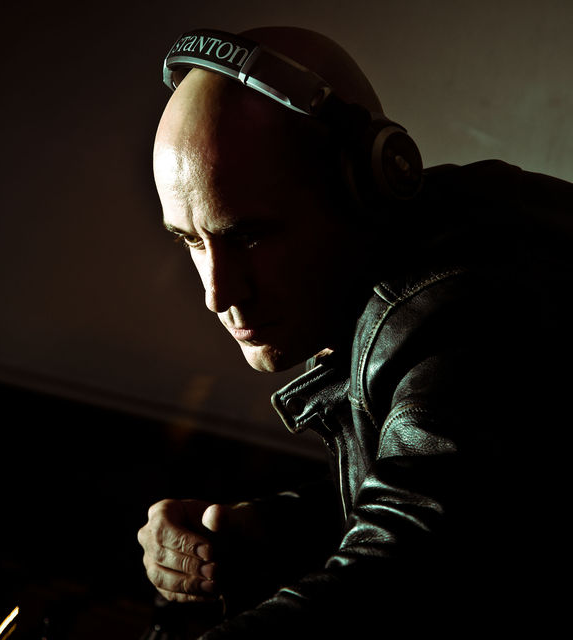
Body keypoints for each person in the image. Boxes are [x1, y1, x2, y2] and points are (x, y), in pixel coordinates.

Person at [137, 26, 573, 638]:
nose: (218, 293)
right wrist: (267, 530)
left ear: (365, 189)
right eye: (190, 240)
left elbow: (394, 580)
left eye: (250, 236)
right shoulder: (439, 256)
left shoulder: (462, 315)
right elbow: (478, 493)